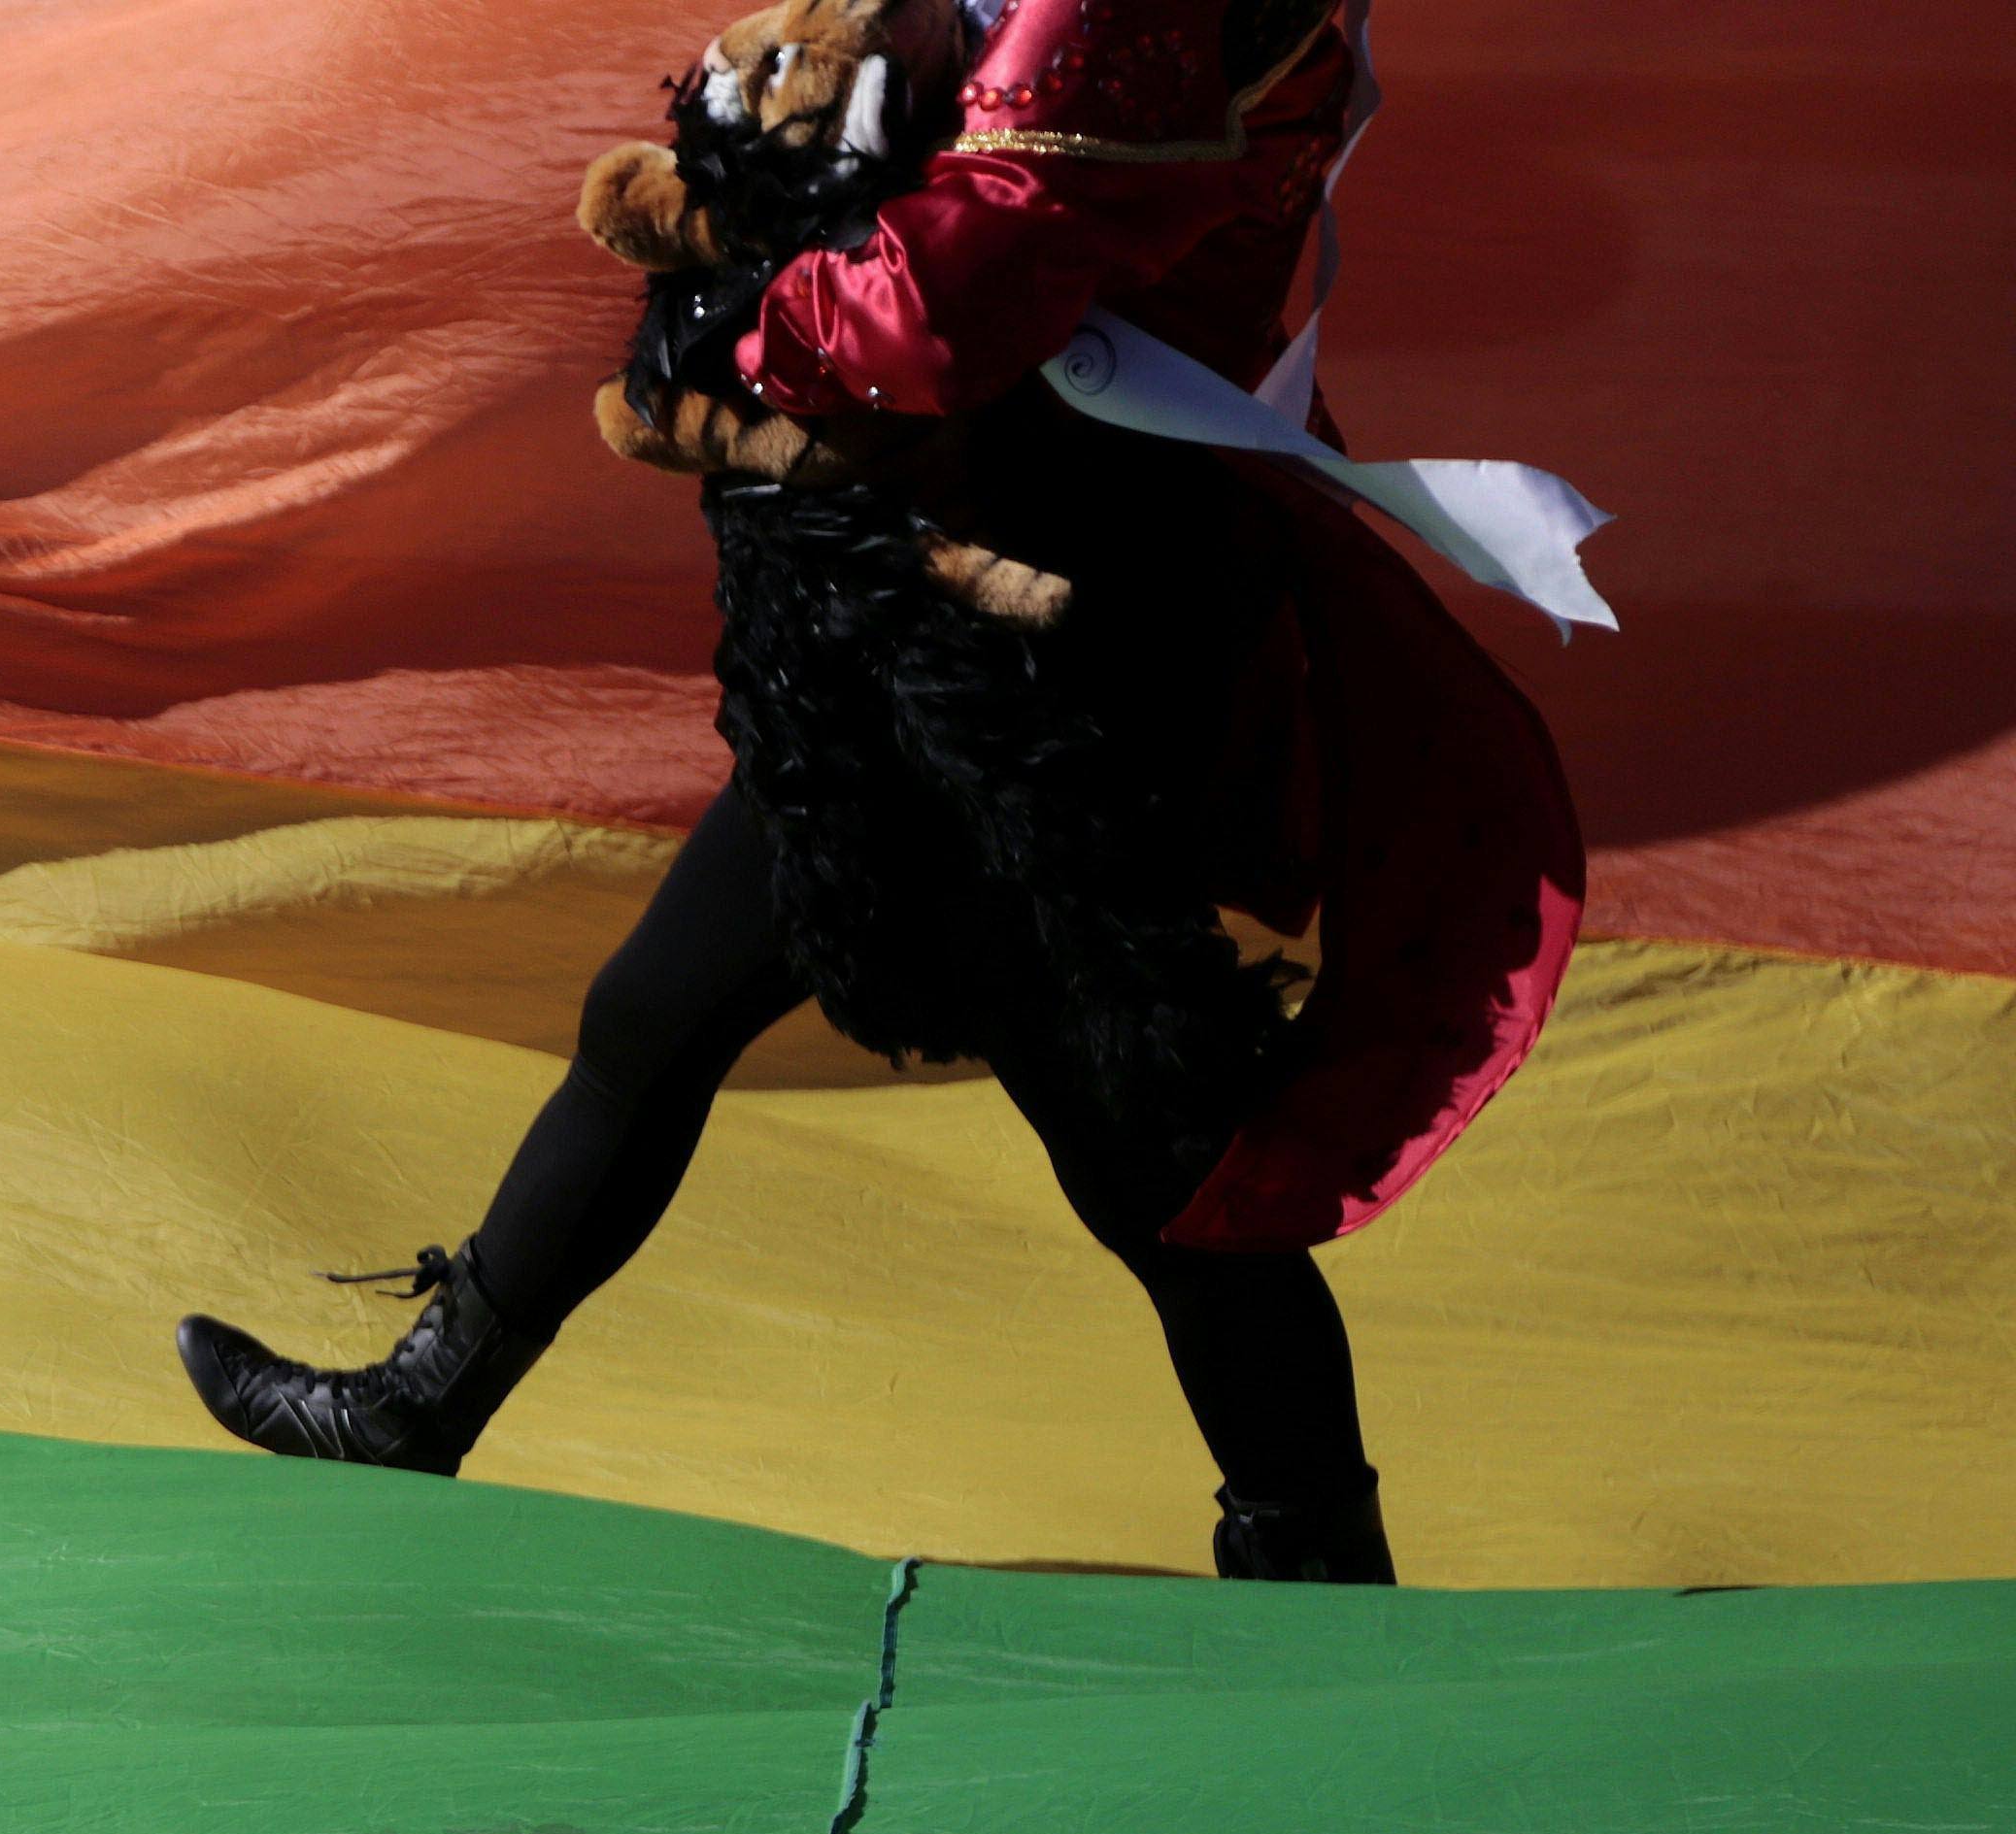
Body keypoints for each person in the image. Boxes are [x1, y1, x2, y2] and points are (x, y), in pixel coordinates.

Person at [177, 0, 1582, 1584]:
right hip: (927, 621)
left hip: (1041, 655)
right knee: (665, 1014)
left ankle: (1315, 1545)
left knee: (1139, 1140)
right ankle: (419, 1409)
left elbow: (942, 306)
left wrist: (733, 322)